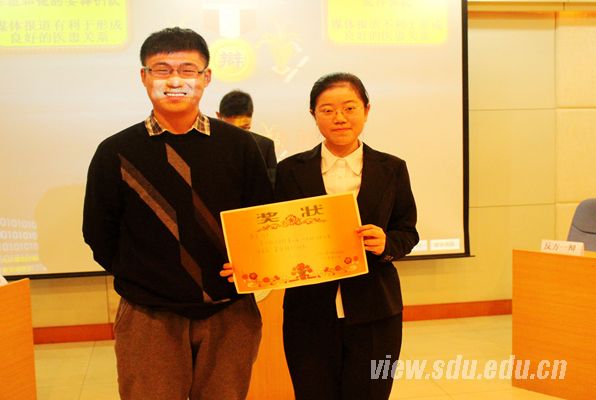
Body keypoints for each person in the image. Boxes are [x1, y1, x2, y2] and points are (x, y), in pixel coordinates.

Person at [82, 27, 273, 400]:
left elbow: (261, 219)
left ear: (206, 77)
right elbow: (98, 232)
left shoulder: (239, 146)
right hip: (149, 315)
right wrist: (144, 278)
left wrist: (251, 264)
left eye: (187, 70)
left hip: (230, 311)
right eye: (161, 70)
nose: (174, 81)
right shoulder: (115, 151)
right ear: (144, 77)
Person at [275, 72, 419, 399]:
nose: (339, 118)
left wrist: (386, 243)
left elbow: (407, 231)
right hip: (308, 311)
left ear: (366, 110)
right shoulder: (290, 171)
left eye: (349, 108)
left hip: (376, 309)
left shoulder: (392, 168)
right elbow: (276, 234)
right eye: (327, 110)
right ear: (313, 115)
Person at [216, 90, 277, 184]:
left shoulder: (265, 146)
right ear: (218, 116)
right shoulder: (208, 145)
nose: (236, 136)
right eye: (230, 129)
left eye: (244, 129)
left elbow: (271, 186)